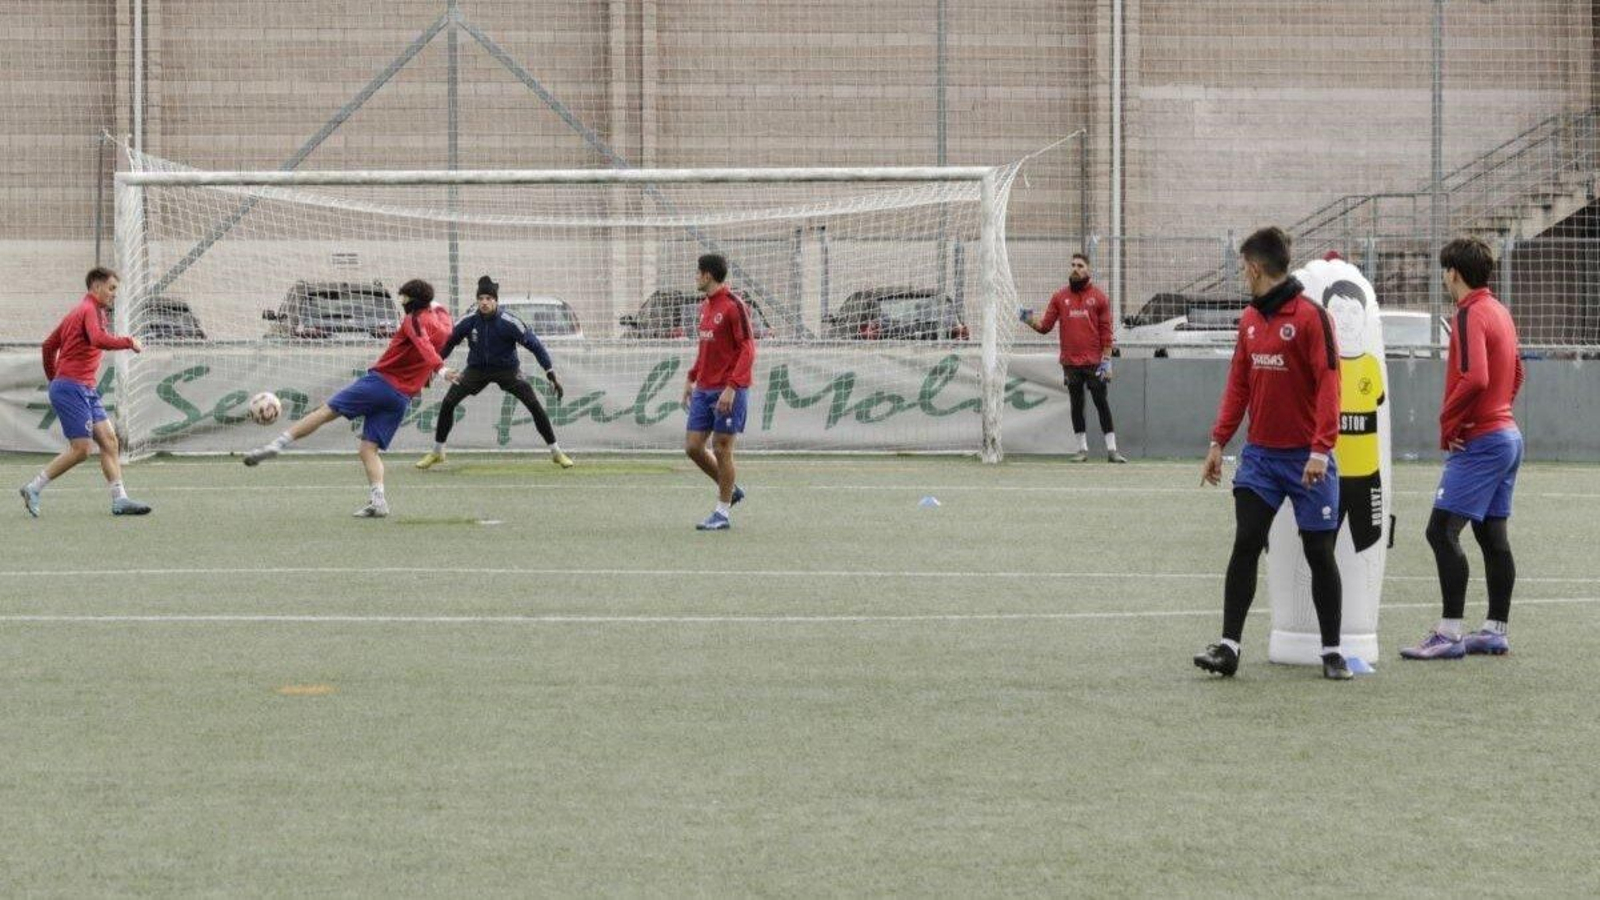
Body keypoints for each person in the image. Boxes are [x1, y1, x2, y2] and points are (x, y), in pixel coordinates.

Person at [1195, 227, 1351, 680]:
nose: (1243, 275)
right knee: (1245, 544)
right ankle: (1228, 648)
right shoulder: (1248, 319)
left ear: (1256, 268)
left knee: (1320, 552)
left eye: (1244, 268)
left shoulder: (1311, 317)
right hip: (1260, 458)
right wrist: (1218, 442)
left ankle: (1333, 652)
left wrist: (1322, 449)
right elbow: (1239, 384)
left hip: (1307, 458)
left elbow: (1329, 384)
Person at [1401, 237, 1525, 660]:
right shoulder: (1501, 311)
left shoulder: (1470, 313)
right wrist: (1500, 412)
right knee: (1492, 536)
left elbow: (1475, 378)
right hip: (1508, 435)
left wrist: (1450, 422)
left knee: (1440, 531)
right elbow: (1518, 371)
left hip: (1484, 440)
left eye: (1443, 270)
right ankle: (1494, 629)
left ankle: (1450, 633)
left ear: (1453, 272)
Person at [242, 279, 451, 518]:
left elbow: (424, 345)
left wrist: (441, 370)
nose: (401, 303)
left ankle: (276, 444)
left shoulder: (412, 320)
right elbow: (442, 317)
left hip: (380, 383)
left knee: (324, 413)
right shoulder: (443, 322)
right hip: (402, 397)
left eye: (403, 299)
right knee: (368, 450)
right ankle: (378, 501)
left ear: (411, 301)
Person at [19, 267, 152, 517]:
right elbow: (97, 339)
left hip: (81, 387)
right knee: (81, 449)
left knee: (109, 441)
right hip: (72, 387)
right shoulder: (88, 309)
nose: (114, 294)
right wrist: (128, 342)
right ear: (96, 287)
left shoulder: (84, 312)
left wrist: (54, 380)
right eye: (112, 288)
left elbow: (49, 346)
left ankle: (120, 499)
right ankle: (33, 487)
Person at [414, 275, 572, 470]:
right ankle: (438, 452)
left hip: (508, 370)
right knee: (448, 402)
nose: (484, 302)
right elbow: (450, 342)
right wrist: (434, 368)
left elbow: (535, 345)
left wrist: (550, 372)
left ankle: (556, 452)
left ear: (496, 300)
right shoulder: (469, 321)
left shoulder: (510, 322)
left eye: (489, 298)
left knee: (534, 404)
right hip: (476, 370)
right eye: (481, 298)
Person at [1021, 252, 1126, 462]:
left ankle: (1112, 450)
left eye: (1080, 265)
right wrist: (1028, 320)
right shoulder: (1060, 297)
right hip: (1070, 362)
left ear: (1088, 270)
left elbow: (1106, 332)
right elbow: (1045, 327)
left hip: (1095, 362)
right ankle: (1081, 449)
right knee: (1076, 405)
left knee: (1101, 403)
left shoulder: (1099, 297)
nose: (1075, 268)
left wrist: (1107, 361)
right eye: (1073, 265)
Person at [682, 253, 754, 531]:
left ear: (708, 275)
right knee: (693, 447)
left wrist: (732, 388)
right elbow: (705, 348)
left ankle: (722, 513)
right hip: (704, 388)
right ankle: (731, 489)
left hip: (728, 390)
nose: (696, 277)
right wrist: (691, 377)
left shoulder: (735, 306)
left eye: (698, 272)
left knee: (722, 449)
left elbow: (748, 349)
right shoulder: (704, 307)